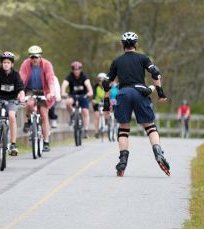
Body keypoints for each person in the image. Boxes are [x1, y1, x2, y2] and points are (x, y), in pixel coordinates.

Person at [102, 32, 170, 176]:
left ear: (122, 45)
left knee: (124, 128)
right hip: (140, 93)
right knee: (150, 126)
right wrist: (160, 92)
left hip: (124, 94)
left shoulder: (117, 61)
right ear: (136, 44)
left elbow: (106, 82)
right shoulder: (143, 58)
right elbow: (155, 73)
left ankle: (122, 162)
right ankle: (158, 152)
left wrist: (106, 102)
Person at [20, 45, 55, 152]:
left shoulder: (47, 64)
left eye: (36, 57)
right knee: (30, 104)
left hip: (44, 90)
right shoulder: (26, 64)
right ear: (29, 57)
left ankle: (46, 142)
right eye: (32, 57)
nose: (34, 59)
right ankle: (28, 120)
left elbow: (50, 78)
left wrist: (51, 92)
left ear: (41, 57)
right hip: (30, 89)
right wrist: (20, 92)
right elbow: (21, 78)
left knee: (44, 114)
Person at [61, 61, 93, 138]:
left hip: (83, 96)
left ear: (80, 69)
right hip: (73, 95)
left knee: (85, 111)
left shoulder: (84, 77)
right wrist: (63, 92)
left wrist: (89, 93)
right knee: (68, 102)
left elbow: (90, 89)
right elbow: (64, 85)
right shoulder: (70, 76)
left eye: (78, 69)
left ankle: (85, 130)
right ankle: (72, 115)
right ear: (72, 70)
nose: (76, 71)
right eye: (74, 69)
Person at [92, 73, 108, 138]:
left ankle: (106, 123)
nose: (100, 82)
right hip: (97, 102)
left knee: (107, 110)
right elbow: (93, 95)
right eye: (99, 80)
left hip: (105, 101)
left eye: (102, 80)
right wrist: (93, 100)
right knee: (96, 115)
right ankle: (96, 131)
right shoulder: (95, 86)